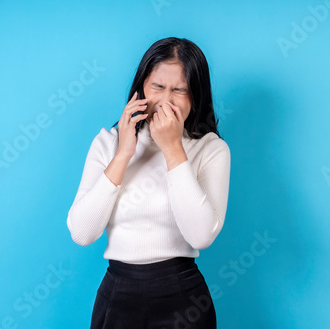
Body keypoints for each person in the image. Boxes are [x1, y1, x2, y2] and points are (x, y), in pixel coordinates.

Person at [66, 37, 231, 329]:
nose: (166, 100)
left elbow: (201, 236)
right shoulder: (107, 142)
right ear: (141, 87)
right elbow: (82, 232)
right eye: (157, 87)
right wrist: (124, 154)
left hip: (183, 297)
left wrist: (172, 150)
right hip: (118, 294)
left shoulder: (211, 149)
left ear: (195, 96)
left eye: (179, 90)